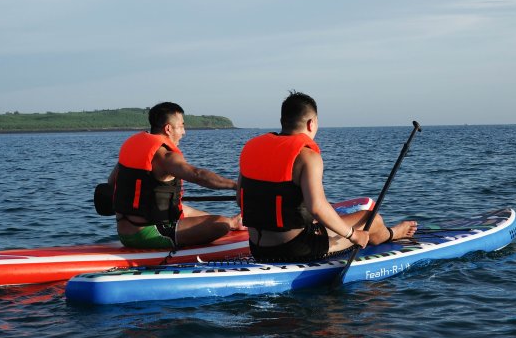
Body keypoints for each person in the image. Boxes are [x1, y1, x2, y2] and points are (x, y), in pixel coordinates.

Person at [238, 91, 417, 263]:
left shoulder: (250, 148)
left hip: (257, 248)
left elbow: (241, 199)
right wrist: (353, 235)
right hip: (294, 249)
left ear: (282, 121)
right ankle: (393, 233)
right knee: (372, 219)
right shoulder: (308, 157)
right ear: (311, 123)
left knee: (320, 219)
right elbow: (317, 206)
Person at [108, 102, 241, 249]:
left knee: (184, 208)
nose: (184, 132)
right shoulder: (166, 156)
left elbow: (111, 181)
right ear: (168, 128)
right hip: (149, 234)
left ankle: (232, 222)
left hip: (124, 233)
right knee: (221, 224)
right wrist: (236, 185)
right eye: (182, 126)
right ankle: (230, 223)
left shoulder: (131, 146)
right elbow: (198, 175)